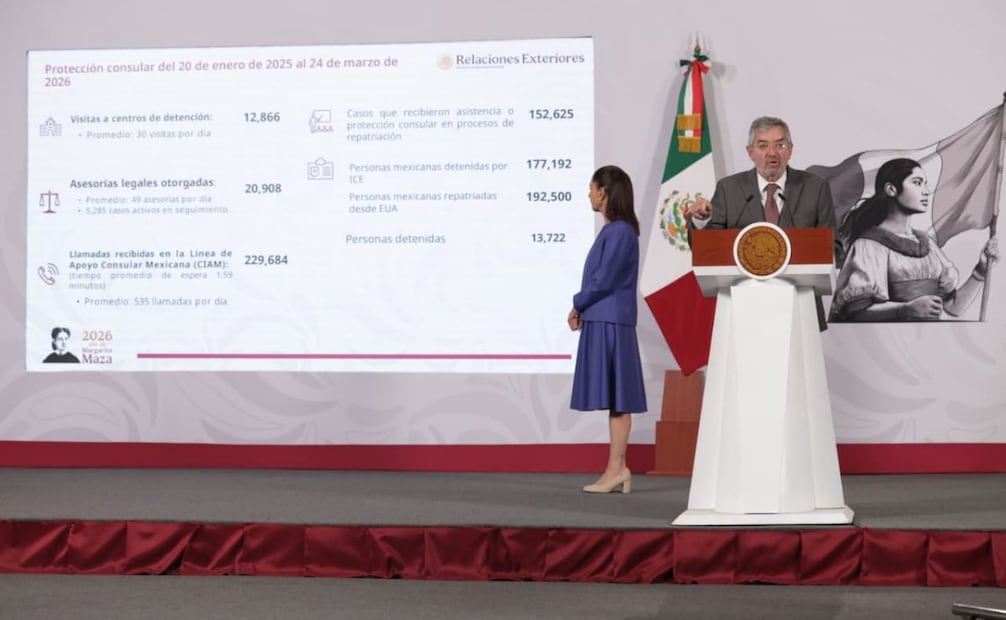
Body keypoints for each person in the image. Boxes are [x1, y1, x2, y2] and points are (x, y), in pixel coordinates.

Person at [685, 116, 836, 327]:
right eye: (763, 145)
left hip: (800, 308)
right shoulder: (729, 189)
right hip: (742, 308)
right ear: (750, 152)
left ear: (791, 149)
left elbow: (832, 246)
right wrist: (701, 222)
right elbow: (707, 249)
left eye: (780, 145)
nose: (772, 153)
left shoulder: (815, 188)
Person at [829, 157, 1000, 321]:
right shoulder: (868, 246)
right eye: (917, 183)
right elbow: (855, 313)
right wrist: (905, 310)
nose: (926, 190)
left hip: (925, 344)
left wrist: (981, 271)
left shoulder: (927, 245)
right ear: (891, 189)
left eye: (925, 184)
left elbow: (953, 307)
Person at [568, 165, 647, 494]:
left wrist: (578, 302)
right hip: (608, 319)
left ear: (605, 192)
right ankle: (618, 468)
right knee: (618, 398)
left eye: (591, 187)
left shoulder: (619, 232)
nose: (588, 193)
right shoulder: (619, 230)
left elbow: (604, 279)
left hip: (610, 321)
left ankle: (617, 468)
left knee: (619, 397)